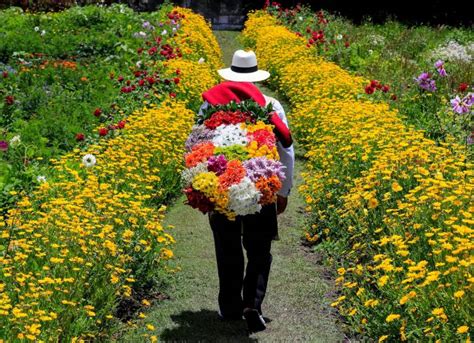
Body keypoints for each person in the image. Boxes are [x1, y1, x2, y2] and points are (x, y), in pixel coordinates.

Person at [198, 50, 295, 333]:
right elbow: (286, 148)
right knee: (259, 247)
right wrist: (284, 190)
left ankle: (229, 306)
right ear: (256, 76)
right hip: (261, 183)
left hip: (221, 184)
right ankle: (252, 304)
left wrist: (203, 184)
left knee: (227, 246)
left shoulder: (209, 104)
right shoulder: (270, 104)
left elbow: (198, 142)